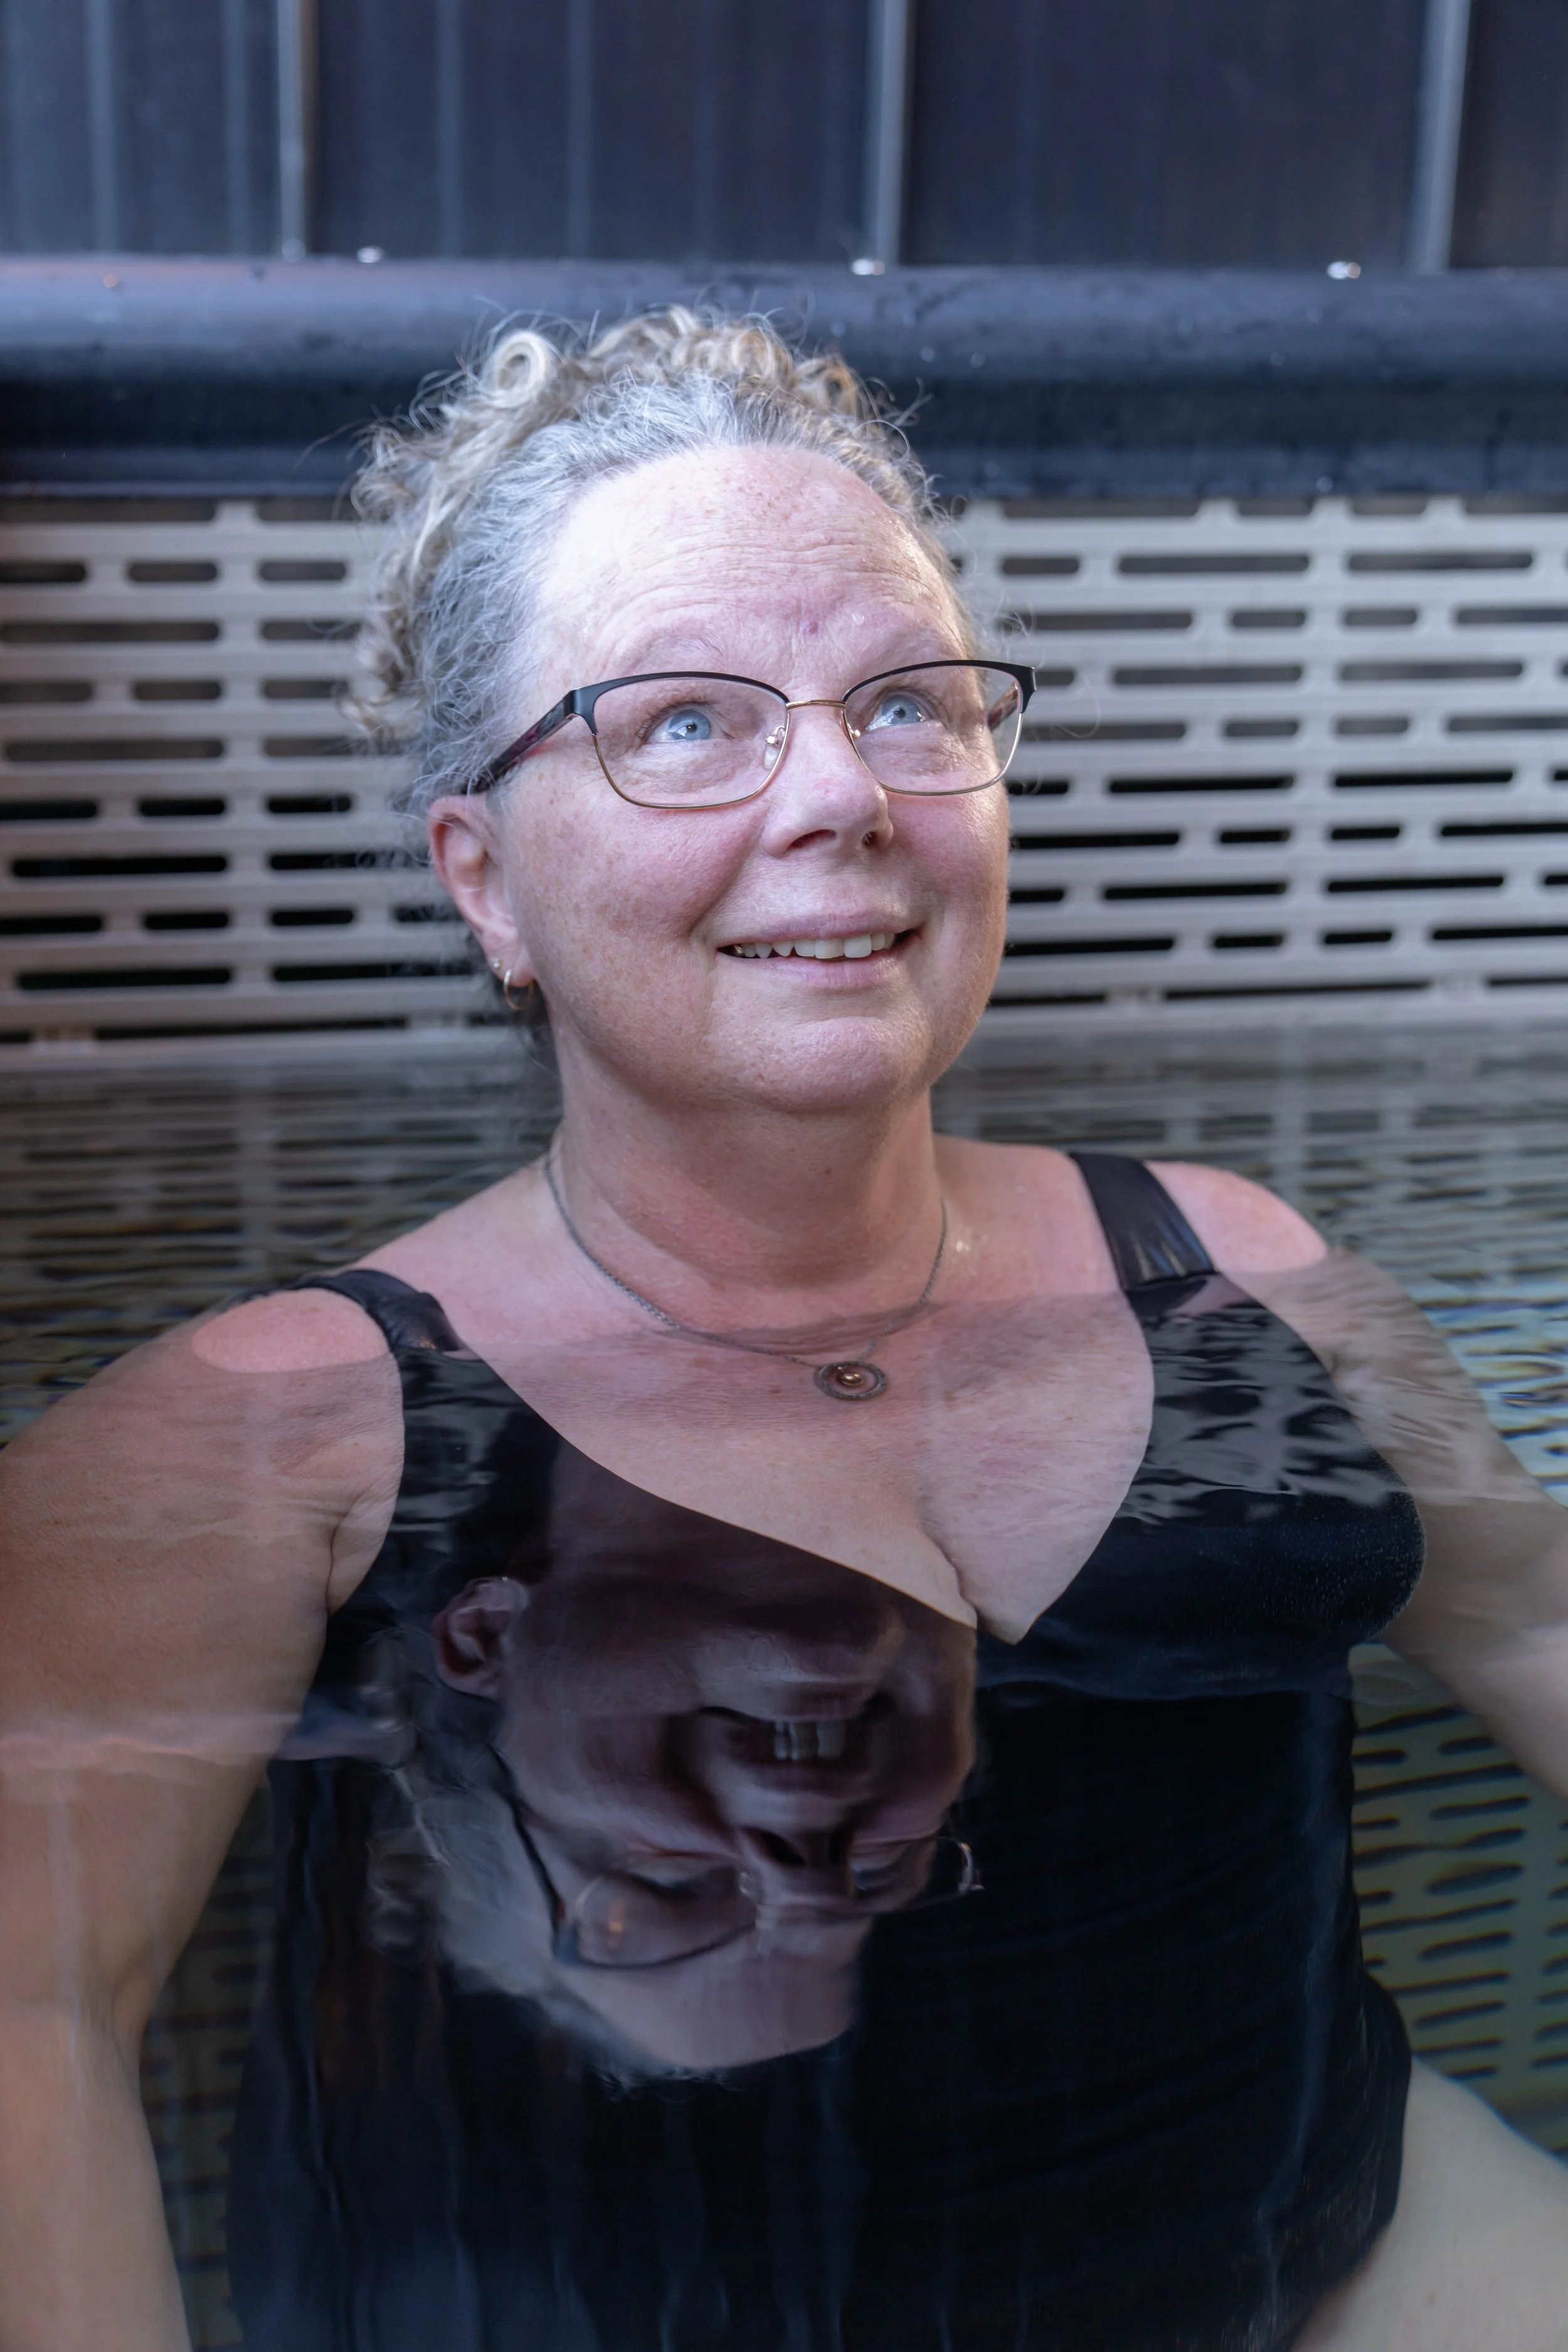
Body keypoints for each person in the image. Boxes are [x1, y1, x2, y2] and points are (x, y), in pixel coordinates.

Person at [4, 308, 1568, 2352]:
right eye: (682, 722)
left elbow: (1539, 1629)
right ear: (483, 878)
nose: (843, 792)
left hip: (1339, 2244)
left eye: (910, 705)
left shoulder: (1236, 1276)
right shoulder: (272, 1440)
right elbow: (38, 2009)